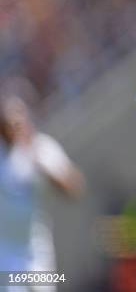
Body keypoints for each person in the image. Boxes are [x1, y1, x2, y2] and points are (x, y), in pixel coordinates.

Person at [0, 94, 85, 291]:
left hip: (36, 250)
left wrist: (45, 169)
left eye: (17, 118)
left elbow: (74, 188)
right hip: (6, 253)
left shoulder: (42, 148)